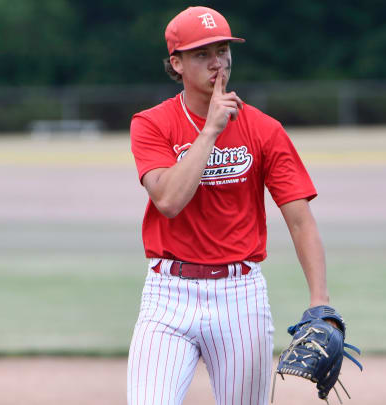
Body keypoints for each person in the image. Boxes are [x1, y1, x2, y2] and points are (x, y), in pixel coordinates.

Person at [127, 6, 333, 405]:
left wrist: (320, 301)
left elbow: (300, 222)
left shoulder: (264, 129)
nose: (217, 62)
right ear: (177, 62)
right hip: (168, 294)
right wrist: (211, 131)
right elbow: (168, 200)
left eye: (222, 50)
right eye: (202, 54)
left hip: (240, 295)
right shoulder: (151, 124)